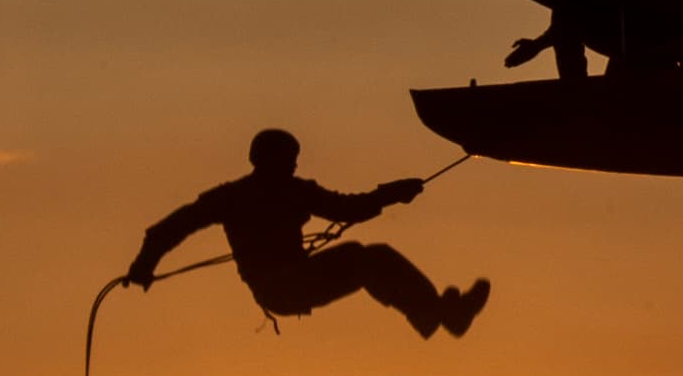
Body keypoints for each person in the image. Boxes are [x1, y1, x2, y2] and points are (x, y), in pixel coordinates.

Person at [127, 129, 491, 338]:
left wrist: (393, 193)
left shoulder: (248, 194)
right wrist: (143, 265)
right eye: (290, 158)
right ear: (276, 159)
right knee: (370, 258)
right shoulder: (259, 193)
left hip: (287, 286)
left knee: (370, 259)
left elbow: (350, 209)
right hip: (281, 287)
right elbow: (350, 209)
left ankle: (438, 314)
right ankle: (440, 314)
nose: (294, 164)